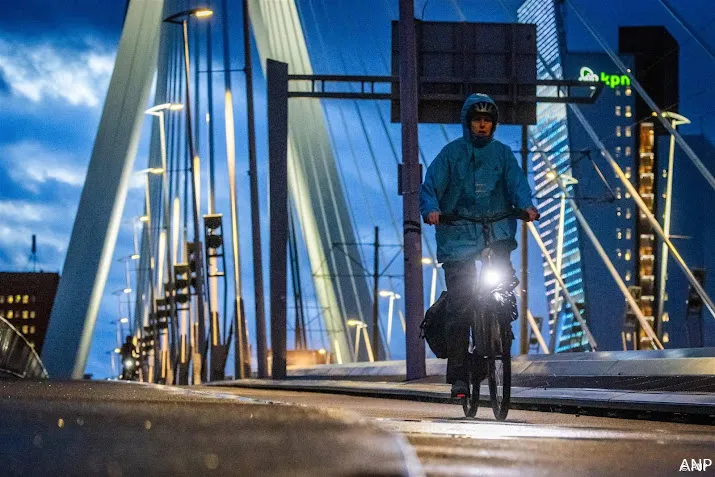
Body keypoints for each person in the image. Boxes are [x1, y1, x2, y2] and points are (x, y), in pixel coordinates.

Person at [419, 93, 539, 398]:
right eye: (477, 120)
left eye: (487, 120)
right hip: (457, 236)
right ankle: (459, 376)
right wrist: (432, 210)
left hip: (495, 232)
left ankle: (500, 334)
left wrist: (526, 206)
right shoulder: (451, 154)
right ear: (468, 123)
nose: (482, 125)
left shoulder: (502, 155)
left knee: (503, 286)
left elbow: (516, 183)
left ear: (494, 125)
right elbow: (430, 185)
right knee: (460, 304)